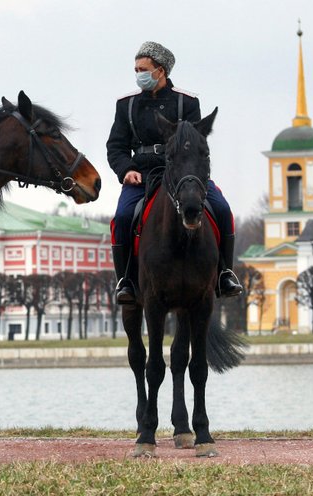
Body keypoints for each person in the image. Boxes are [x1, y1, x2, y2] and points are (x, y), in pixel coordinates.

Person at [107, 41, 242, 304]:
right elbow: (116, 146)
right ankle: (126, 281)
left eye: (143, 69)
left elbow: (195, 144)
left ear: (160, 70)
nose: (138, 74)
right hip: (142, 175)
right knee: (122, 217)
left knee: (222, 209)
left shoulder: (187, 102)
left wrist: (190, 173)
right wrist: (126, 169)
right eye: (136, 70)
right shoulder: (126, 104)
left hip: (183, 174)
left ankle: (225, 273)